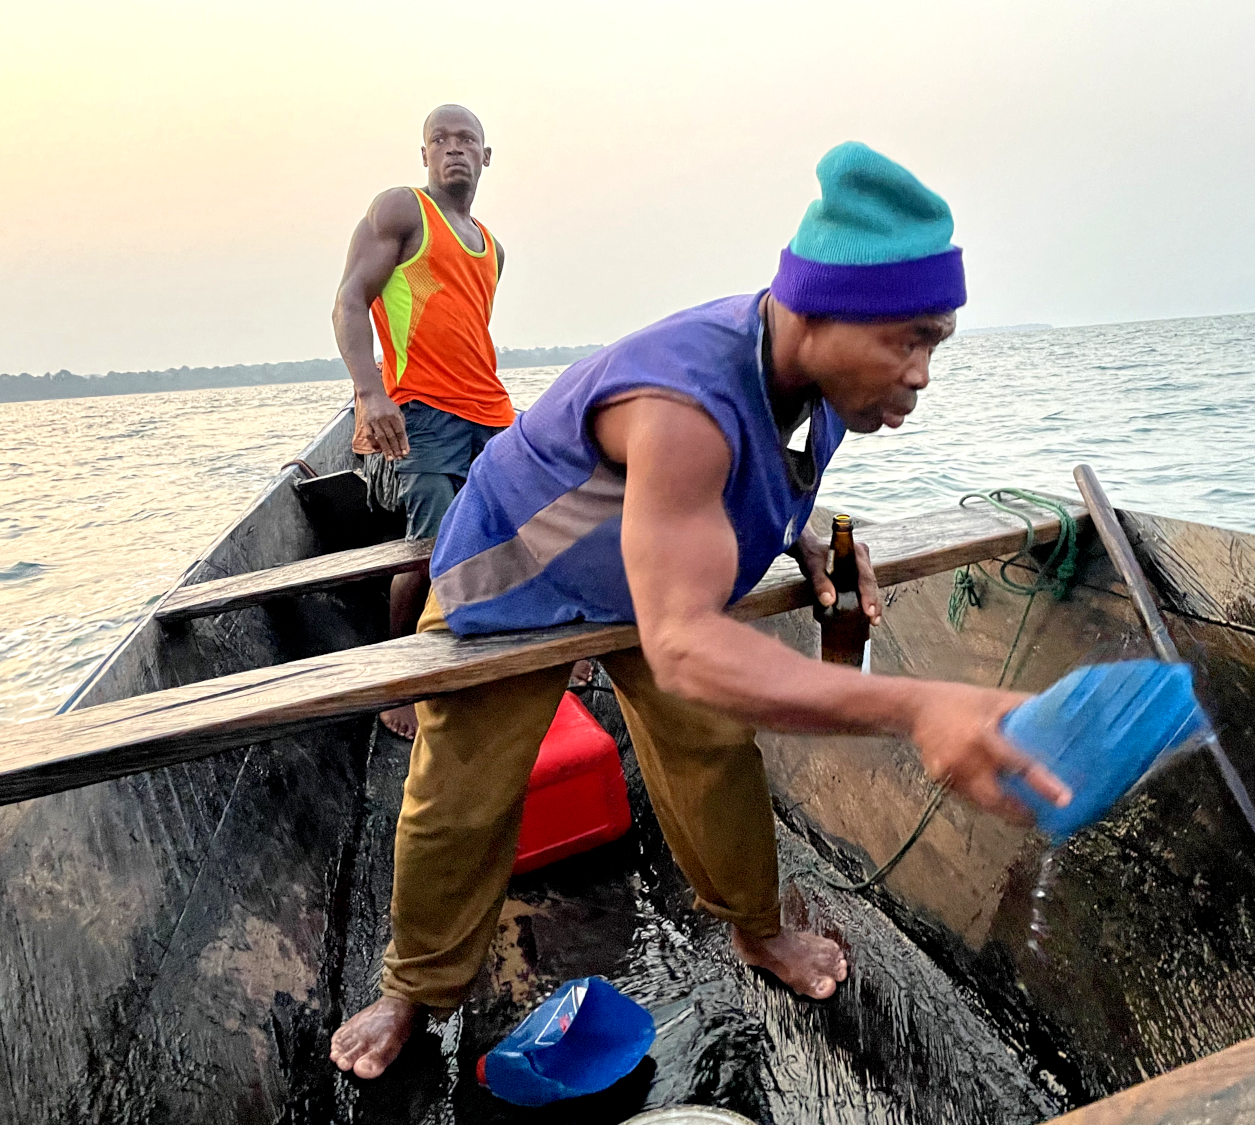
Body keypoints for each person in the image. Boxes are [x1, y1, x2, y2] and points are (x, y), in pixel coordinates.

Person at [330, 142, 1071, 1079]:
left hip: (652, 580)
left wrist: (801, 538)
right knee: (462, 795)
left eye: (935, 343)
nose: (922, 371)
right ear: (812, 311)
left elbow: (761, 481)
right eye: (909, 339)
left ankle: (755, 930)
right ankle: (414, 984)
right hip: (516, 578)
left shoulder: (824, 386)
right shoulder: (682, 398)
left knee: (714, 750)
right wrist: (920, 705)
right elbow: (684, 645)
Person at [333, 103, 513, 739]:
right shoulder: (401, 210)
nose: (454, 148)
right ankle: (402, 680)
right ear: (425, 155)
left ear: (486, 156)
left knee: (536, 517)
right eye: (440, 140)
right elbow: (350, 300)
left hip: (489, 408)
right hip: (421, 411)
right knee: (432, 536)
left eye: (467, 139)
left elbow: (467, 332)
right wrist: (368, 392)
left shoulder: (494, 247)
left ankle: (532, 643)